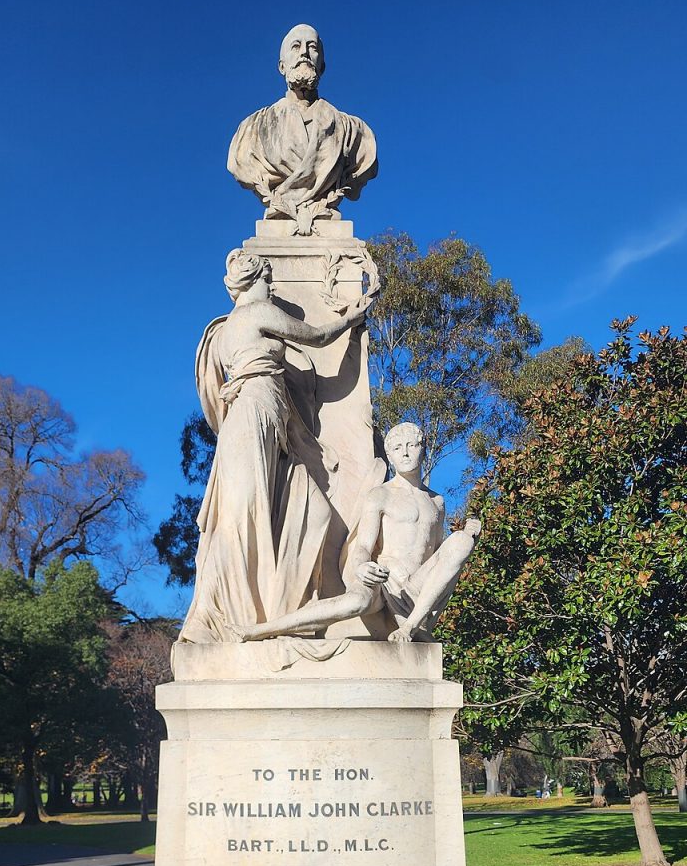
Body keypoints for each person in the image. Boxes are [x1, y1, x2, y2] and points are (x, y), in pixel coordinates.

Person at [179, 249, 373, 644]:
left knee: (292, 509)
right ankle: (225, 613)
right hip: (255, 416)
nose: (274, 287)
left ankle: (274, 610)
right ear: (255, 281)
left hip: (260, 419)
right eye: (270, 279)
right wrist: (352, 318)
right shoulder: (255, 313)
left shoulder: (221, 331)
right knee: (243, 514)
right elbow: (317, 336)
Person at [232, 422, 481, 642]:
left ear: (423, 450)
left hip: (418, 587)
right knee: (356, 602)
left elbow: (436, 554)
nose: (405, 452)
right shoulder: (381, 495)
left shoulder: (437, 502)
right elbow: (363, 546)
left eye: (412, 445)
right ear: (390, 458)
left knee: (460, 540)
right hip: (384, 580)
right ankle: (263, 630)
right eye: (397, 448)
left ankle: (411, 626)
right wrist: (362, 566)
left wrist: (468, 537)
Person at [227, 25, 378, 235]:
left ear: (322, 66)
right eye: (295, 47)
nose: (304, 53)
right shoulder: (252, 130)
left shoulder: (353, 132)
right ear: (282, 66)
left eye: (312, 47)